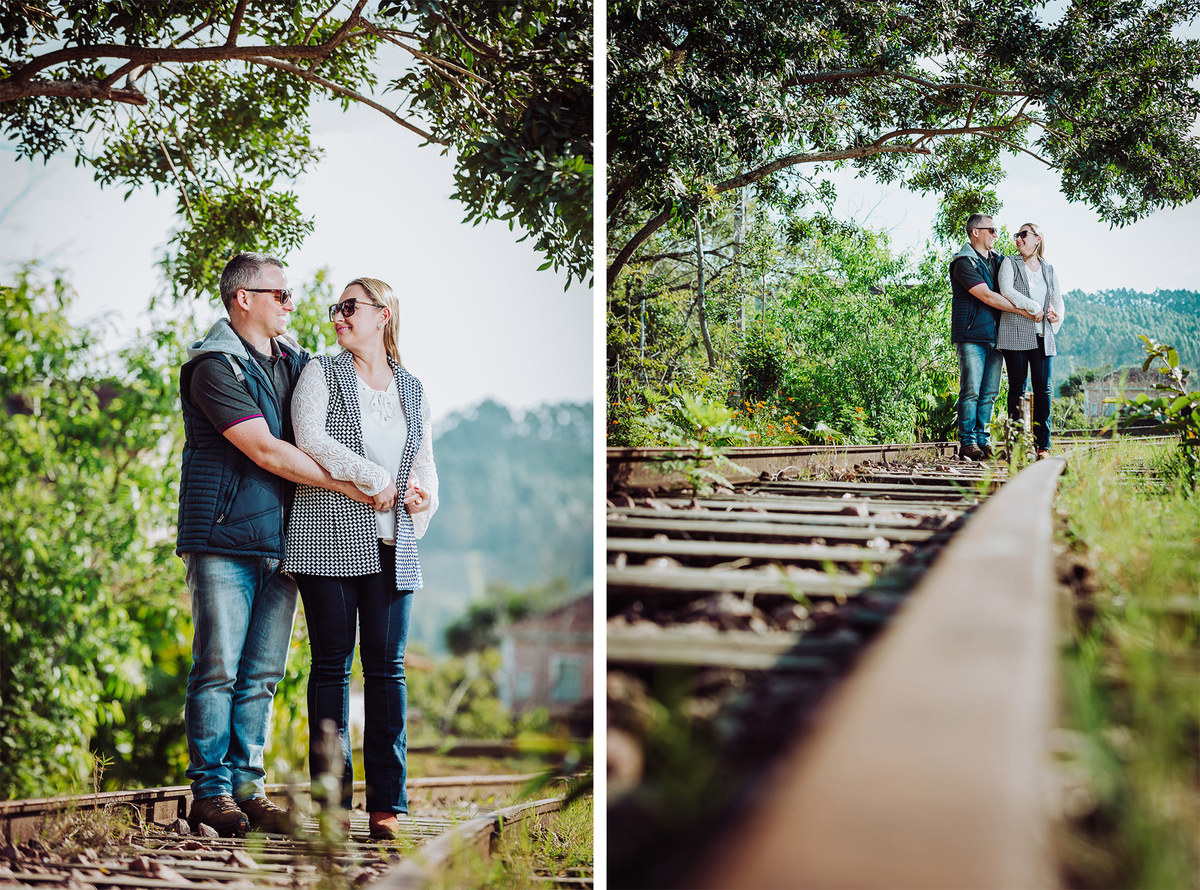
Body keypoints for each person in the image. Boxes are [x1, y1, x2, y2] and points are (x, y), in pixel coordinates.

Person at [177, 252, 378, 837]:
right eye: (281, 295)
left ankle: (248, 789)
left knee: (263, 673)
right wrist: (355, 486)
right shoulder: (213, 367)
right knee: (217, 666)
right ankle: (211, 793)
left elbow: (332, 429)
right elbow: (264, 449)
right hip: (222, 538)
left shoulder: (299, 363)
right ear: (244, 298)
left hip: (289, 542)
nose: (292, 304)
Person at [283, 277, 438, 841]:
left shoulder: (412, 388)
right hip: (326, 533)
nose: (339, 317)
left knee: (388, 670)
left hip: (396, 541)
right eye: (336, 308)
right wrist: (375, 480)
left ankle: (387, 806)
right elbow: (311, 438)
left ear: (384, 314)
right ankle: (330, 805)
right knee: (330, 666)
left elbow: (423, 461)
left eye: (350, 307)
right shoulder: (320, 372)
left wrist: (420, 495)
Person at [949, 213, 1042, 460]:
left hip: (997, 336)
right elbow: (988, 296)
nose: (996, 234)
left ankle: (983, 441)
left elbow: (1019, 284)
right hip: (971, 336)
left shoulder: (999, 260)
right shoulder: (963, 263)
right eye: (991, 230)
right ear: (975, 232)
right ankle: (968, 443)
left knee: (989, 392)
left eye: (996, 230)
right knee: (971, 390)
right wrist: (1023, 311)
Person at [998, 222, 1064, 460]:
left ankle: (1042, 447)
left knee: (1043, 390)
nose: (1018, 238)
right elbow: (1006, 290)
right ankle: (1015, 446)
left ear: (1037, 238)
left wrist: (1056, 315)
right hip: (1015, 332)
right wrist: (1034, 306)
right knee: (1016, 389)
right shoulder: (1009, 263)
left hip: (1043, 335)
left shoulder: (1049, 269)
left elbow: (1058, 301)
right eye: (1017, 235)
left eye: (1023, 234)